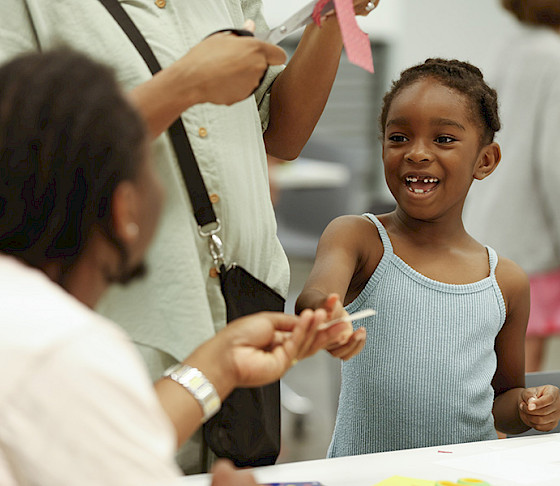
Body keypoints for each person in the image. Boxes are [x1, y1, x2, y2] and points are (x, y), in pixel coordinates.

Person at [0, 0, 375, 471]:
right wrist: (184, 85)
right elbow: (18, 159)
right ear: (125, 203)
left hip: (240, 303)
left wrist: (331, 16)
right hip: (130, 314)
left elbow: (281, 134)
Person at [295, 58, 560, 458]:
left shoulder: (505, 281)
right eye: (398, 137)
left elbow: (501, 404)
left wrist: (528, 408)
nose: (417, 153)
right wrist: (324, 313)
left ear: (485, 160)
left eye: (444, 140)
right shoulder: (359, 238)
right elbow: (315, 295)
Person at [463, 0, 560, 372]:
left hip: (488, 230)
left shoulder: (509, 48)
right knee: (522, 379)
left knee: (493, 366)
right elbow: (554, 165)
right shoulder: (553, 60)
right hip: (532, 240)